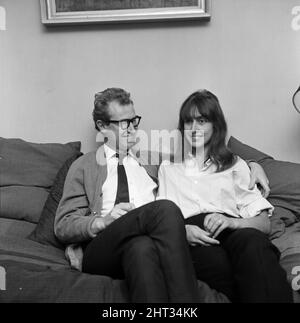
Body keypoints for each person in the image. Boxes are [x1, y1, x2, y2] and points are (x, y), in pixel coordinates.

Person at [55, 87, 272, 303]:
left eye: (134, 121)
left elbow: (203, 161)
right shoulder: (84, 165)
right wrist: (102, 222)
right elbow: (63, 225)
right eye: (123, 123)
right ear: (102, 127)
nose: (132, 129)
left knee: (142, 249)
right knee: (166, 209)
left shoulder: (152, 162)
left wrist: (254, 165)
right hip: (104, 246)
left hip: (144, 242)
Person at [158, 89, 293, 303]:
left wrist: (232, 222)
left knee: (254, 244)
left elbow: (264, 224)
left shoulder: (235, 164)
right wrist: (181, 231)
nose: (193, 129)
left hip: (232, 227)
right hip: (193, 234)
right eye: (188, 121)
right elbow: (159, 219)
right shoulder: (168, 168)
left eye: (201, 121)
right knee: (216, 262)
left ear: (215, 125)